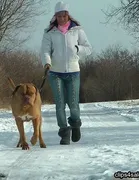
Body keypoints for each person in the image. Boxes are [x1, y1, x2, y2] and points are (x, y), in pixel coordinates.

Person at [40, 1, 92, 145]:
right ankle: (64, 132)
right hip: (55, 72)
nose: (61, 18)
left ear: (68, 15)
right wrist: (47, 62)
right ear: (55, 16)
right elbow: (45, 50)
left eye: (64, 15)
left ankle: (75, 125)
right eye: (59, 16)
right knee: (60, 103)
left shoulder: (77, 30)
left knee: (73, 104)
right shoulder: (49, 32)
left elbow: (88, 48)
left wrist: (77, 49)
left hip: (73, 72)